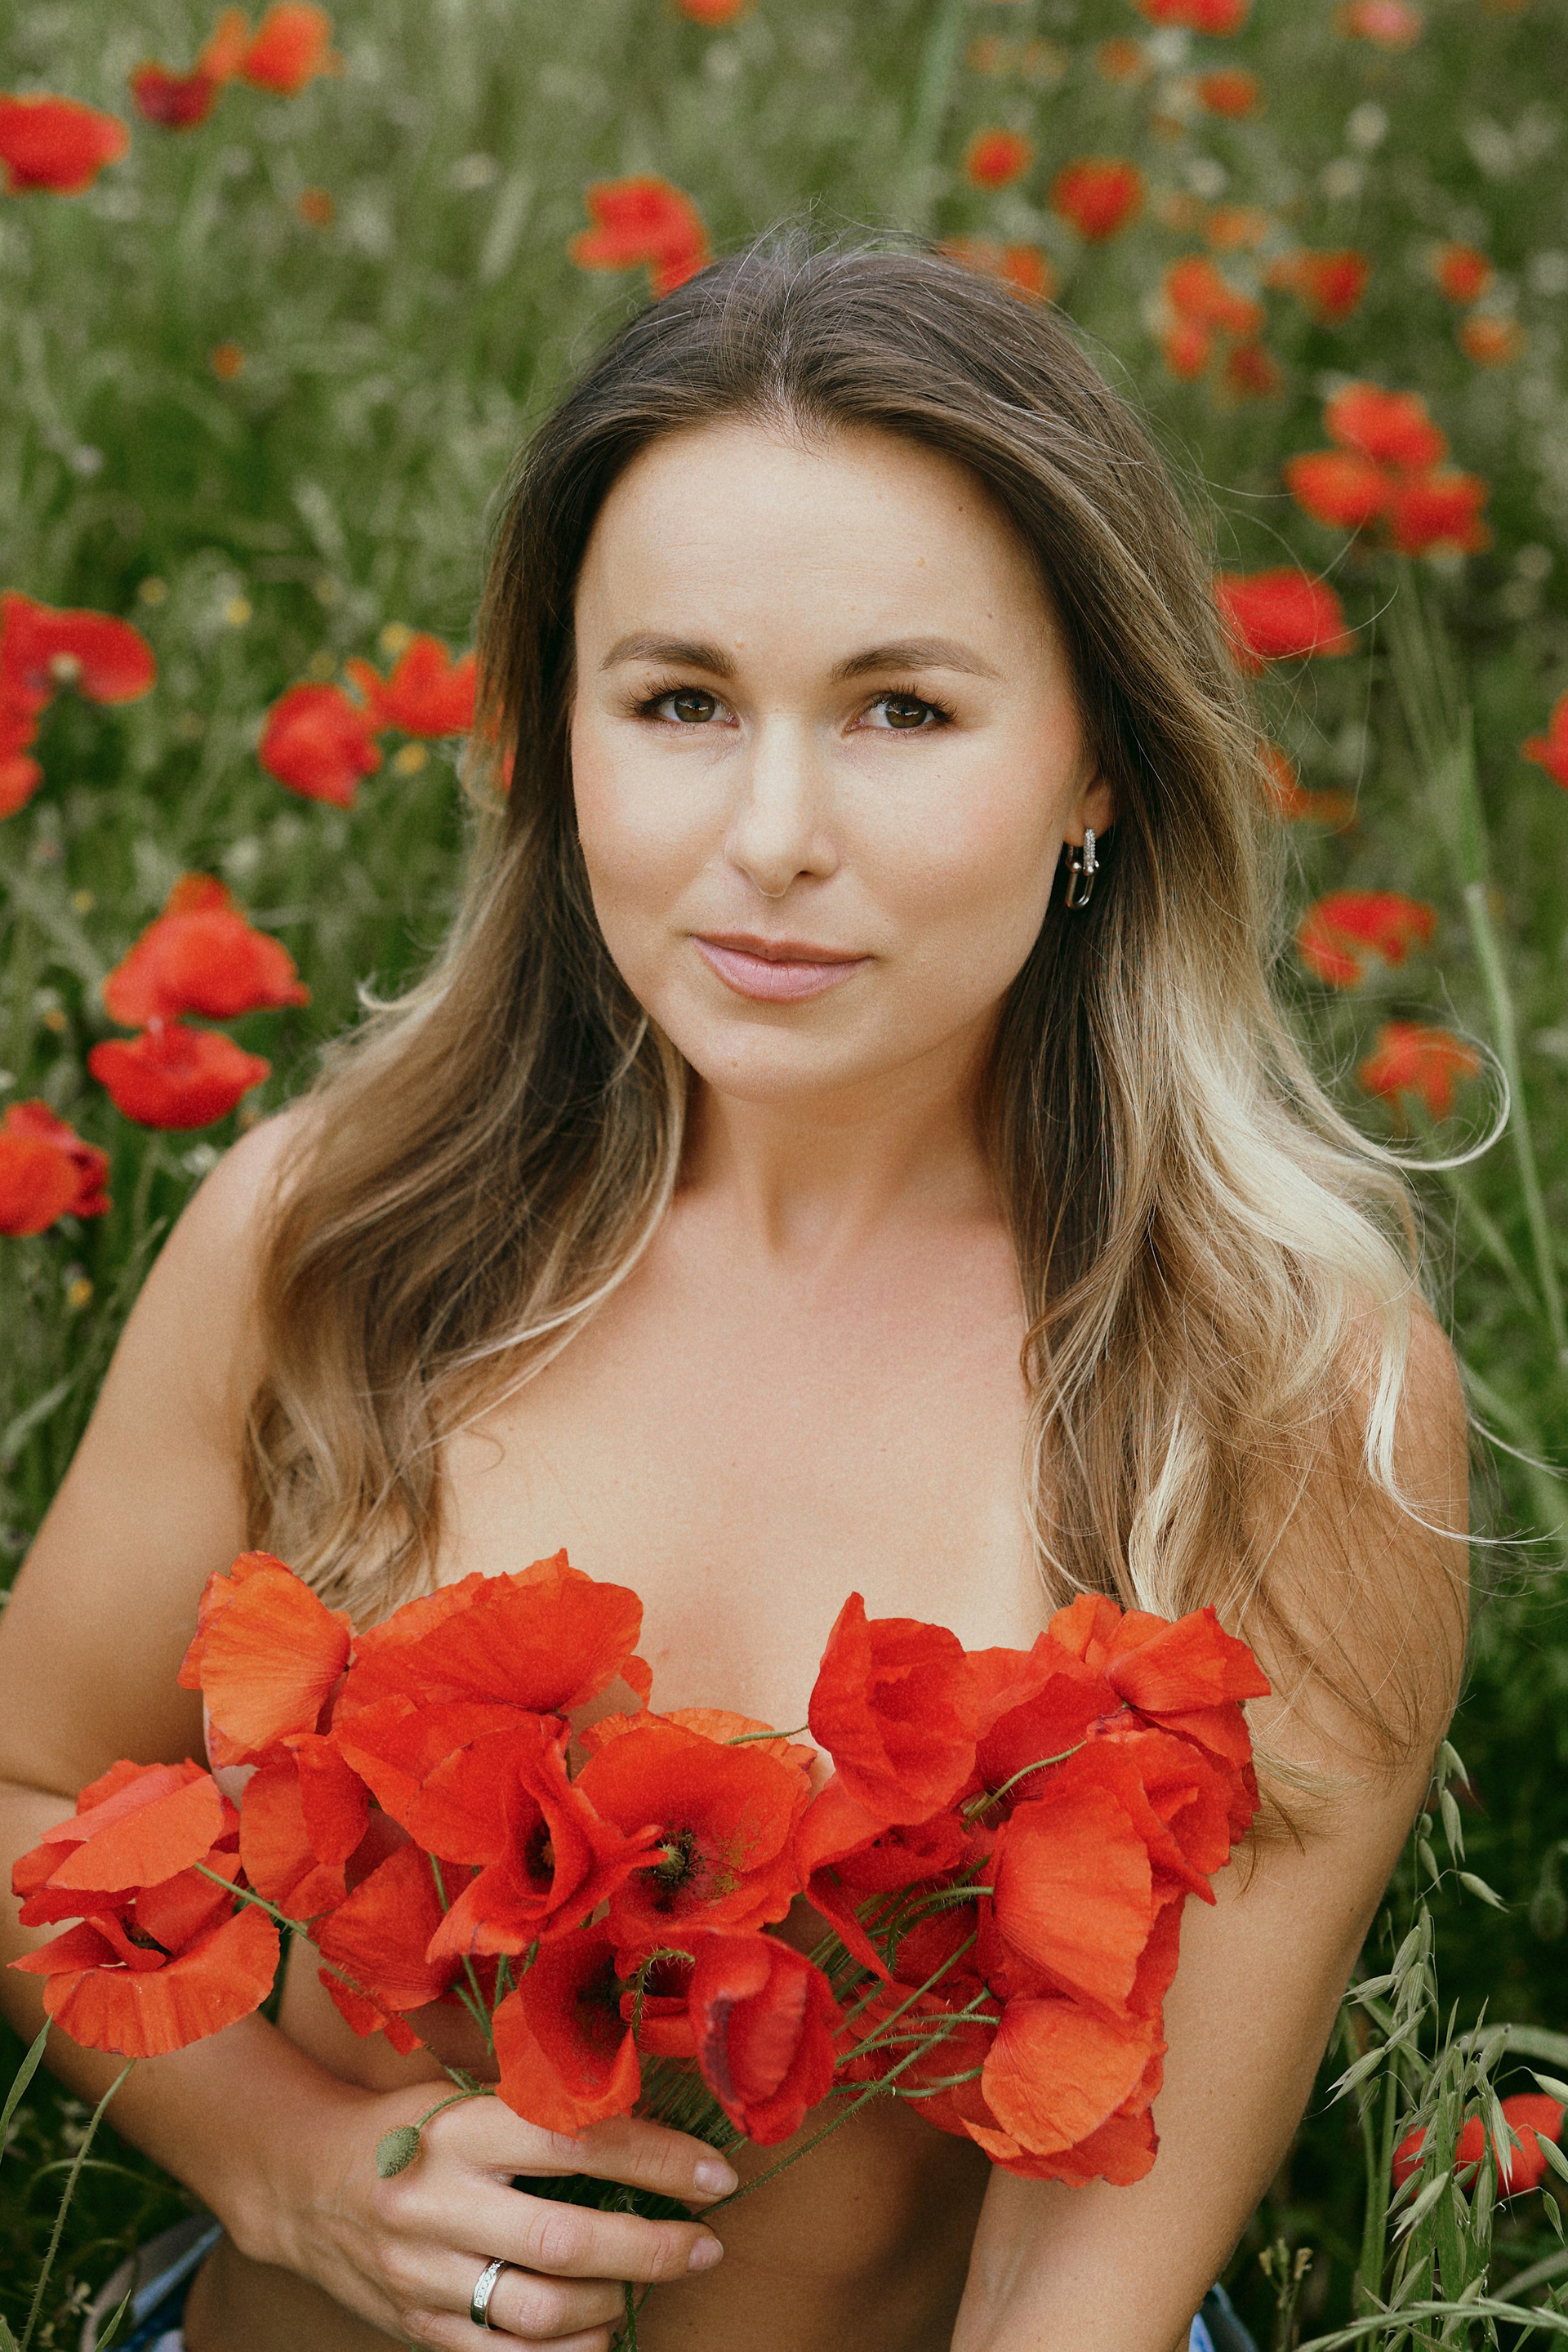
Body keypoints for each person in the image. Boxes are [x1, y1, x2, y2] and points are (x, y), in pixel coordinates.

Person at [0, 236, 1468, 2352]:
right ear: (557, 736)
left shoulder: (1277, 1392)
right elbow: (31, 1797)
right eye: (681, 702)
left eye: (902, 710)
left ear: (1101, 768)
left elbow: (1084, 2286)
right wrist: (291, 2171)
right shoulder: (338, 1238)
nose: (772, 835)